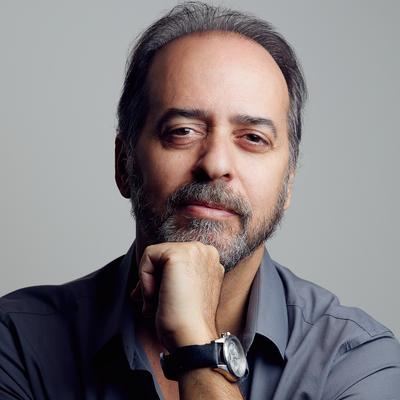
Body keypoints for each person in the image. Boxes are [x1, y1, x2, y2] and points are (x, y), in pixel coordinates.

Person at [1, 2, 399, 399]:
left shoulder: (354, 363)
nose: (215, 164)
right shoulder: (18, 342)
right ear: (124, 163)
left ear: (288, 185)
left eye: (253, 138)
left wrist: (196, 345)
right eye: (182, 131)